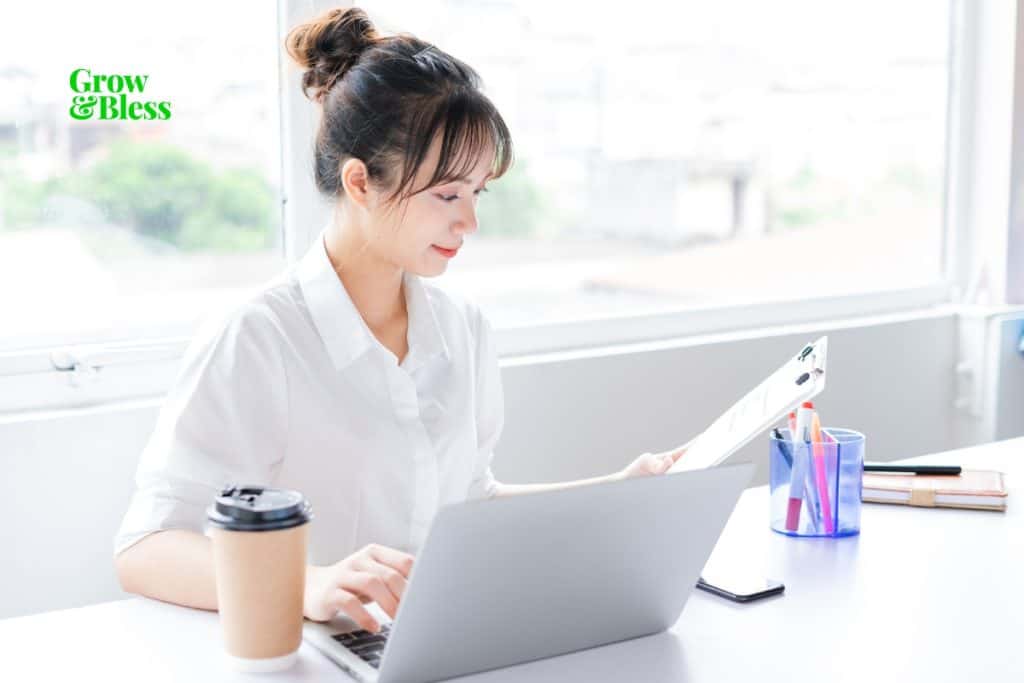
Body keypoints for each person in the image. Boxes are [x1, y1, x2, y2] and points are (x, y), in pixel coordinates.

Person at [114, 6, 688, 635]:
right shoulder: (259, 336)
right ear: (360, 183)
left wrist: (619, 490)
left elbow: (469, 504)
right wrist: (310, 584)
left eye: (476, 193)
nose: (469, 222)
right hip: (313, 653)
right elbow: (148, 547)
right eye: (447, 194)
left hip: (431, 643)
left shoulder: (462, 328)